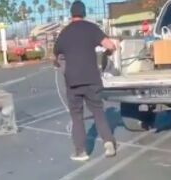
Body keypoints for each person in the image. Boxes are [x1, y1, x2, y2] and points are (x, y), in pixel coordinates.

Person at [53, 1, 117, 161]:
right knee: (98, 112)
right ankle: (108, 143)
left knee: (77, 116)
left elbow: (55, 55)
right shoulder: (91, 28)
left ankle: (81, 152)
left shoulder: (64, 33)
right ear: (84, 13)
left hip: (73, 81)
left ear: (71, 14)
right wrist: (107, 52)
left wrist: (57, 62)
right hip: (92, 79)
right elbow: (110, 45)